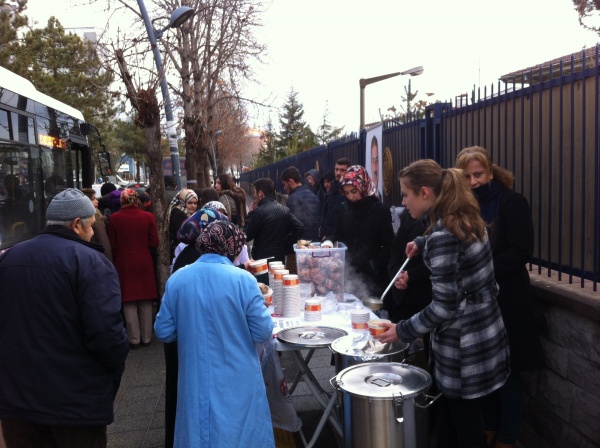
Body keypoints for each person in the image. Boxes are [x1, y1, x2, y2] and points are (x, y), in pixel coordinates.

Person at [377, 159, 510, 448]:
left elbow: (443, 307)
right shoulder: (465, 216)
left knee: (464, 425)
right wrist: (421, 242)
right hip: (485, 333)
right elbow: (453, 245)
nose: (403, 202)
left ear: (425, 193)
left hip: (463, 347)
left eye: (406, 194)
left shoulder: (443, 236)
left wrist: (401, 330)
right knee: (454, 420)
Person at [0, 188, 128, 448]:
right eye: (91, 226)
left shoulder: (10, 257)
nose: (92, 234)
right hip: (75, 403)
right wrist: (111, 375)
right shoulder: (91, 261)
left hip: (18, 400)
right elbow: (108, 334)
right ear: (76, 224)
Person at [155, 221, 275, 448]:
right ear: (231, 247)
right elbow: (263, 331)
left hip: (194, 375)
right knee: (240, 432)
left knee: (198, 433)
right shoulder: (244, 280)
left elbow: (163, 331)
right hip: (238, 375)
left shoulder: (178, 278)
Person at [456, 146, 545, 448]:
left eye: (478, 174)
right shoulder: (464, 207)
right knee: (485, 371)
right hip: (478, 301)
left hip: (508, 301)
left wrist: (480, 269)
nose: (473, 181)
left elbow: (521, 251)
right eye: (467, 176)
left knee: (507, 374)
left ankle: (506, 439)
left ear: (491, 172)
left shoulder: (512, 202)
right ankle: (490, 430)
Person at [163, 207, 228, 448]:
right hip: (191, 338)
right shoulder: (200, 257)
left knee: (178, 392)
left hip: (179, 337)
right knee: (192, 394)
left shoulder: (185, 254)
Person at [108, 188, 159, 349]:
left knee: (128, 301)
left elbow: (113, 244)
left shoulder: (114, 219)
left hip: (124, 262)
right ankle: (146, 336)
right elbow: (154, 242)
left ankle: (134, 339)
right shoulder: (148, 217)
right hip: (144, 261)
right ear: (136, 199)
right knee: (145, 300)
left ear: (122, 200)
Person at [333, 165, 393, 297]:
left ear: (363, 187)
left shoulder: (380, 210)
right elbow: (337, 236)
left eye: (354, 191)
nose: (351, 197)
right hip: (349, 274)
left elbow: (389, 244)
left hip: (374, 277)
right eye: (347, 193)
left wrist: (374, 265)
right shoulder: (343, 209)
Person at [244, 178, 304, 284]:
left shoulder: (258, 212)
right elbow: (300, 228)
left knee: (264, 288)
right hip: (279, 260)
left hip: (261, 262)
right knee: (277, 287)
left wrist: (250, 214)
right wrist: (286, 243)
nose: (254, 195)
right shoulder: (284, 210)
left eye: (254, 192)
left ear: (261, 193)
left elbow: (247, 235)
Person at [320, 157, 350, 238]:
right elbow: (328, 212)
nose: (338, 173)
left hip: (341, 236)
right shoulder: (332, 187)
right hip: (329, 236)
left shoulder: (349, 190)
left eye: (342, 170)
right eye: (336, 169)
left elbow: (340, 209)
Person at [81, 187, 113, 262]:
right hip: (98, 257)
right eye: (93, 199)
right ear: (87, 201)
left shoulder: (80, 215)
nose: (97, 201)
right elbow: (103, 241)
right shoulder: (95, 217)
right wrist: (109, 261)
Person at [167, 189, 198, 258]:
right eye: (190, 203)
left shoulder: (188, 214)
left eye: (195, 203)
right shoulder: (179, 214)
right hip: (180, 252)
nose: (193, 206)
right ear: (183, 202)